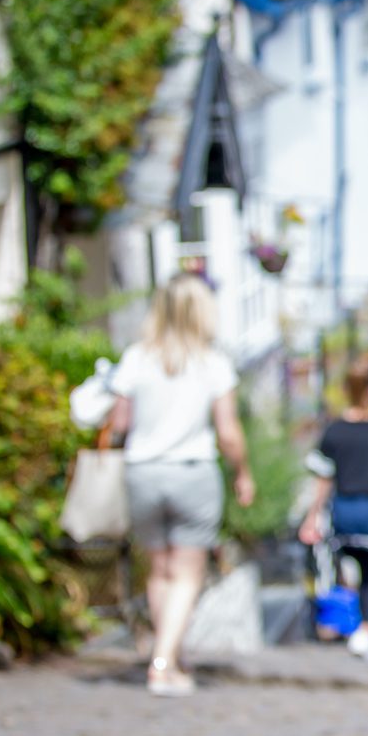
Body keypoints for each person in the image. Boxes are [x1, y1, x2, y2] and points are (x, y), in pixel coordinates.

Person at [107, 273, 255, 698]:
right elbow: (228, 431)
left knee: (159, 570)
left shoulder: (137, 358)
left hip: (143, 471)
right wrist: (242, 472)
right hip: (192, 472)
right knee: (188, 573)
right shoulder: (211, 363)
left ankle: (169, 656)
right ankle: (163, 663)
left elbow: (119, 423)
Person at [298, 357, 368, 659]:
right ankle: (364, 630)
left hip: (344, 510)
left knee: (354, 569)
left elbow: (323, 478)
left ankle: (352, 628)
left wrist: (313, 516)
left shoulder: (334, 432)